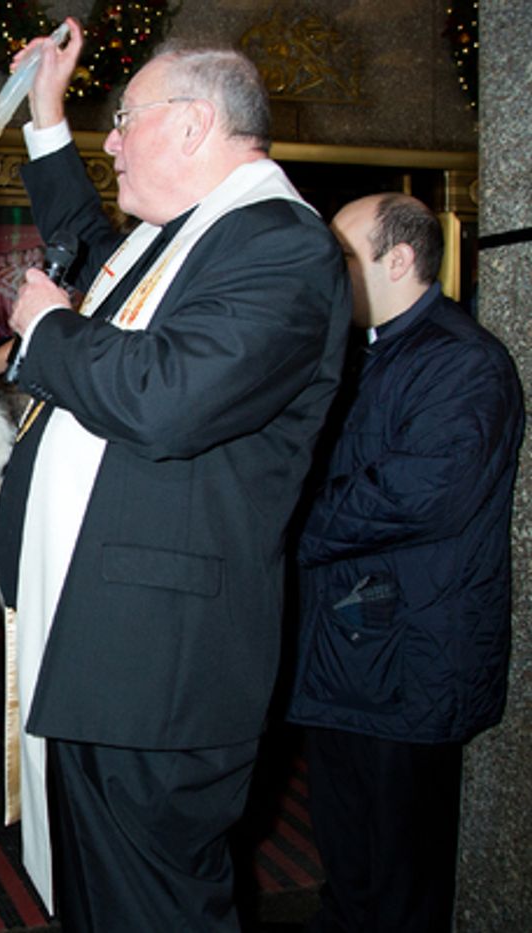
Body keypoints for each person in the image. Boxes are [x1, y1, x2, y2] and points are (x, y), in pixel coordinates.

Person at [0, 19, 351, 930]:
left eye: (125, 119)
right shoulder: (185, 236)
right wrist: (46, 114)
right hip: (105, 650)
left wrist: (48, 328)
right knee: (100, 900)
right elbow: (84, 243)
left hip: (160, 673)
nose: (110, 141)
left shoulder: (282, 247)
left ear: (192, 126)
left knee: (155, 910)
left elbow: (167, 396)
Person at [286, 194, 523, 933]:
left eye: (344, 253)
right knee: (348, 870)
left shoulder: (464, 361)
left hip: (411, 666)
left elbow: (414, 497)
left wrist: (281, 522)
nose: (329, 269)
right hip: (346, 663)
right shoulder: (364, 349)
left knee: (401, 889)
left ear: (399, 259)